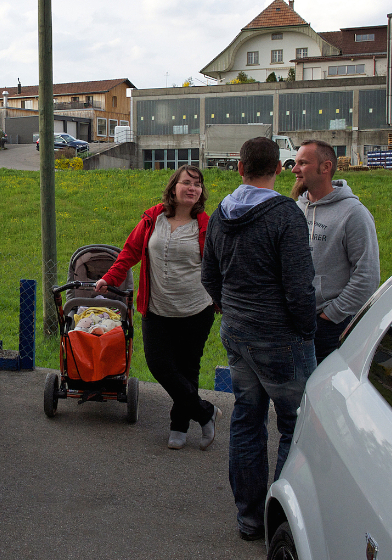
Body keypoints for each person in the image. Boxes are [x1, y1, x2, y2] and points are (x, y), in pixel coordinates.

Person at [201, 137, 317, 542]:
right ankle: (278, 521)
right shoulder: (286, 215)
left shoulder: (221, 214)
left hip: (237, 335)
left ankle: (248, 518)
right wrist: (306, 329)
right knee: (294, 427)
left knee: (247, 421)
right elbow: (301, 289)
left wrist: (227, 308)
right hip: (282, 340)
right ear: (280, 169)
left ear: (239, 167)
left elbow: (208, 276)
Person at [95, 165, 221, 451]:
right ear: (173, 187)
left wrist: (222, 297)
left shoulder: (206, 225)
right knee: (159, 365)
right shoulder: (154, 218)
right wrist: (108, 278)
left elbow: (219, 265)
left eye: (198, 184)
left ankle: (179, 427)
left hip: (196, 309)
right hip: (156, 308)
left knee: (187, 369)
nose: (192, 188)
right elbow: (129, 252)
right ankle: (205, 412)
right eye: (186, 182)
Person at [291, 140, 380, 363]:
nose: (294, 169)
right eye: (295, 163)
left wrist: (332, 315)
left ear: (325, 167)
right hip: (293, 322)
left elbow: (367, 275)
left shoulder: (353, 214)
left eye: (302, 163)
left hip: (329, 327)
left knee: (322, 392)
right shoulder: (296, 209)